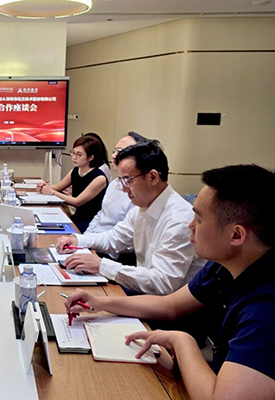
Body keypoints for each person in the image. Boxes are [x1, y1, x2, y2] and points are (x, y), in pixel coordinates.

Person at [64, 164, 275, 400]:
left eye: (198, 219)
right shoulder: (225, 265)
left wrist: (182, 341)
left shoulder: (267, 308)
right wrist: (100, 302)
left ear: (236, 235)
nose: (190, 226)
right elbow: (170, 305)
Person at [57, 140, 206, 295]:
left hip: (165, 303)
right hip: (145, 292)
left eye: (128, 180)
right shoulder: (142, 207)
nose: (123, 188)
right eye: (121, 180)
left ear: (153, 177)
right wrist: (78, 240)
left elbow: (163, 283)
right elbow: (115, 238)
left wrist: (102, 266)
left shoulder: (179, 219)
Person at [86, 132, 147, 261]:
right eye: (114, 151)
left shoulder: (140, 194)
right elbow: (100, 215)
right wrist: (84, 239)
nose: (114, 155)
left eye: (120, 151)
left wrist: (89, 243)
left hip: (114, 255)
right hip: (97, 245)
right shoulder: (114, 183)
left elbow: (124, 241)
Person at [37, 135, 108, 232]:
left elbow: (77, 202)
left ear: (91, 157)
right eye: (73, 153)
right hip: (77, 217)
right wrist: (43, 187)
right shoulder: (76, 170)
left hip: (91, 222)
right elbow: (58, 186)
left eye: (79, 155)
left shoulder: (99, 178)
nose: (74, 157)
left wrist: (51, 192)